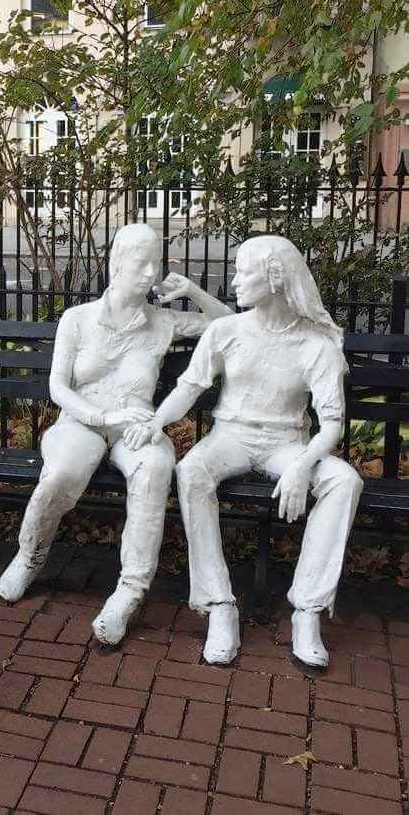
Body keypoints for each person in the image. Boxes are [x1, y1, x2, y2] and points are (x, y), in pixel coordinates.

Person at [125, 235, 363, 668]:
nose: (233, 281)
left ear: (275, 279)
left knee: (344, 480)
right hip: (229, 437)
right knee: (192, 470)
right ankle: (219, 605)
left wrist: (302, 467)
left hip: (287, 444)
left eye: (242, 272)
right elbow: (188, 389)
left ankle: (307, 610)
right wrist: (155, 423)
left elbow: (332, 424)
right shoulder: (226, 331)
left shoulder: (317, 345)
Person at [0, 224, 232, 648]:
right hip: (80, 423)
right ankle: (29, 555)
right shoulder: (78, 319)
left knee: (157, 467)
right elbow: (58, 389)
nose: (150, 272)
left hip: (135, 429)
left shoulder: (163, 322)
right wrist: (103, 412)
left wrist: (194, 292)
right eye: (141, 262)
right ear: (116, 264)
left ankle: (129, 591)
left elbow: (232, 327)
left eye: (155, 262)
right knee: (63, 472)